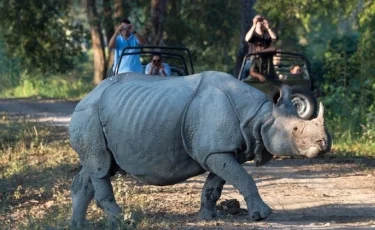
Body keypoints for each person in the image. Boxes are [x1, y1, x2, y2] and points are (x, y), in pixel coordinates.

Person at [242, 15, 278, 81]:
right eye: (258, 20)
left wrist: (268, 27)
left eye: (261, 20)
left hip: (265, 60)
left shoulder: (267, 34)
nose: (260, 22)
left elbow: (274, 38)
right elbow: (247, 39)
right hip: (251, 60)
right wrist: (254, 25)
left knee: (272, 75)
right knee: (244, 76)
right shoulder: (252, 33)